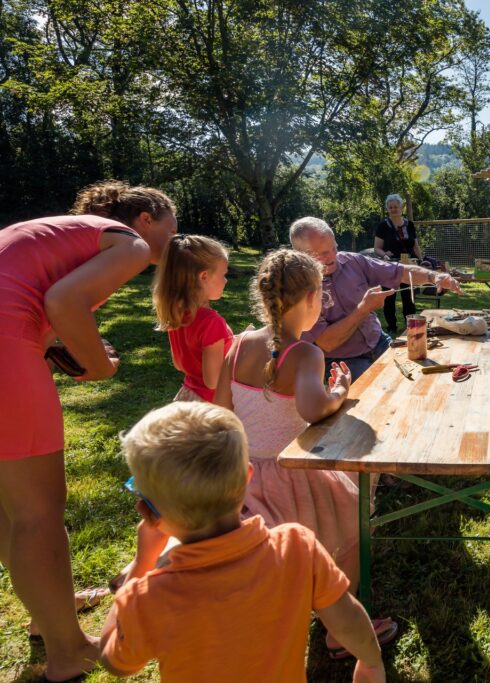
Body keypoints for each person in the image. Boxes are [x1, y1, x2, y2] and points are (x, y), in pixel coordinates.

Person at [0, 180, 177, 681]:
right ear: (145, 219)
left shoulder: (61, 234)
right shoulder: (130, 243)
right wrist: (99, 367)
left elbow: (46, 308)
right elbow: (63, 302)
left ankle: (47, 612)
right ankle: (68, 650)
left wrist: (71, 353)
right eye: (172, 226)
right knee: (38, 514)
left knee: (9, 506)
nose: (174, 239)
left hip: (10, 338)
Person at [99, 402, 386, 682]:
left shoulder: (148, 598)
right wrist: (371, 663)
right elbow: (347, 621)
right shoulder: (297, 547)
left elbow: (113, 661)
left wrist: (141, 562)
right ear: (248, 477)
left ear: (149, 513)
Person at [212, 248, 397, 658]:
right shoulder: (306, 353)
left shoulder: (238, 345)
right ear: (313, 298)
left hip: (244, 474)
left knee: (273, 558)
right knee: (349, 534)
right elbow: (313, 409)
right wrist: (339, 392)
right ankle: (338, 628)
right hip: (293, 471)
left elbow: (221, 410)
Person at [288, 217, 463, 381]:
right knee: (379, 395)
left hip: (379, 341)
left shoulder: (353, 261)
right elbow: (327, 342)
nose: (332, 256)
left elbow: (399, 271)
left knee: (414, 379)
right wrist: (363, 309)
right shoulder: (299, 289)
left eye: (334, 248)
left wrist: (434, 277)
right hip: (340, 360)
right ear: (302, 255)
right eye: (322, 254)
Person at [152, 235, 233, 402]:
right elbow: (213, 382)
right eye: (223, 274)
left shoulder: (177, 313)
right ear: (203, 277)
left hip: (188, 396)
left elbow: (179, 364)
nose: (226, 281)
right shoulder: (211, 322)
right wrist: (241, 348)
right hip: (211, 405)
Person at [374, 194, 422, 335]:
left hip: (408, 265)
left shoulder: (410, 225)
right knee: (390, 297)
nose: (394, 209)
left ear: (402, 207)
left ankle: (411, 324)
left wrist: (421, 260)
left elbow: (415, 246)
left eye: (396, 206)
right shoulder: (383, 226)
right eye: (391, 207)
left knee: (409, 296)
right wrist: (384, 255)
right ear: (387, 209)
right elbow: (377, 248)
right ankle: (392, 326)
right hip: (390, 266)